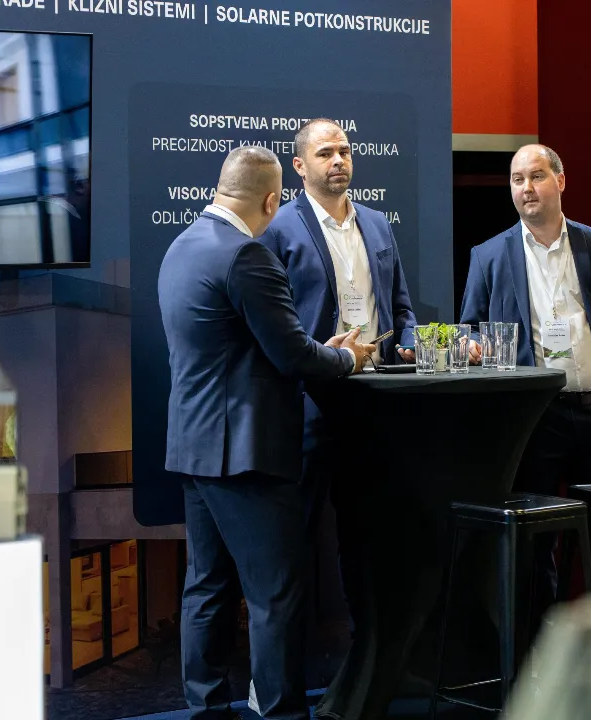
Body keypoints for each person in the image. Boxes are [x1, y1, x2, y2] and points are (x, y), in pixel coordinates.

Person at [158, 146, 376, 720]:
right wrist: (346, 358)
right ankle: (280, 714)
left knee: (206, 588)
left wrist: (316, 350)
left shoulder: (182, 246)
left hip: (194, 448)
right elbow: (292, 355)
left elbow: (244, 347)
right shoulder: (246, 255)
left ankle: (206, 710)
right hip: (245, 454)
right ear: (273, 200)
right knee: (275, 595)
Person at [459, 144, 591, 607]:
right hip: (535, 420)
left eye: (536, 176)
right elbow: (470, 327)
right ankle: (539, 647)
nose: (526, 188)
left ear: (560, 180)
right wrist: (473, 347)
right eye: (517, 180)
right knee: (537, 548)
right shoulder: (489, 255)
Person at [259, 118, 417, 619]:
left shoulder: (377, 223)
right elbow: (274, 323)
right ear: (300, 166)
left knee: (370, 536)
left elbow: (401, 308)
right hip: (312, 402)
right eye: (325, 153)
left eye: (345, 151)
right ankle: (296, 655)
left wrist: (408, 343)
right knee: (299, 537)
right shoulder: (278, 228)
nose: (338, 161)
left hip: (375, 400)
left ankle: (369, 648)